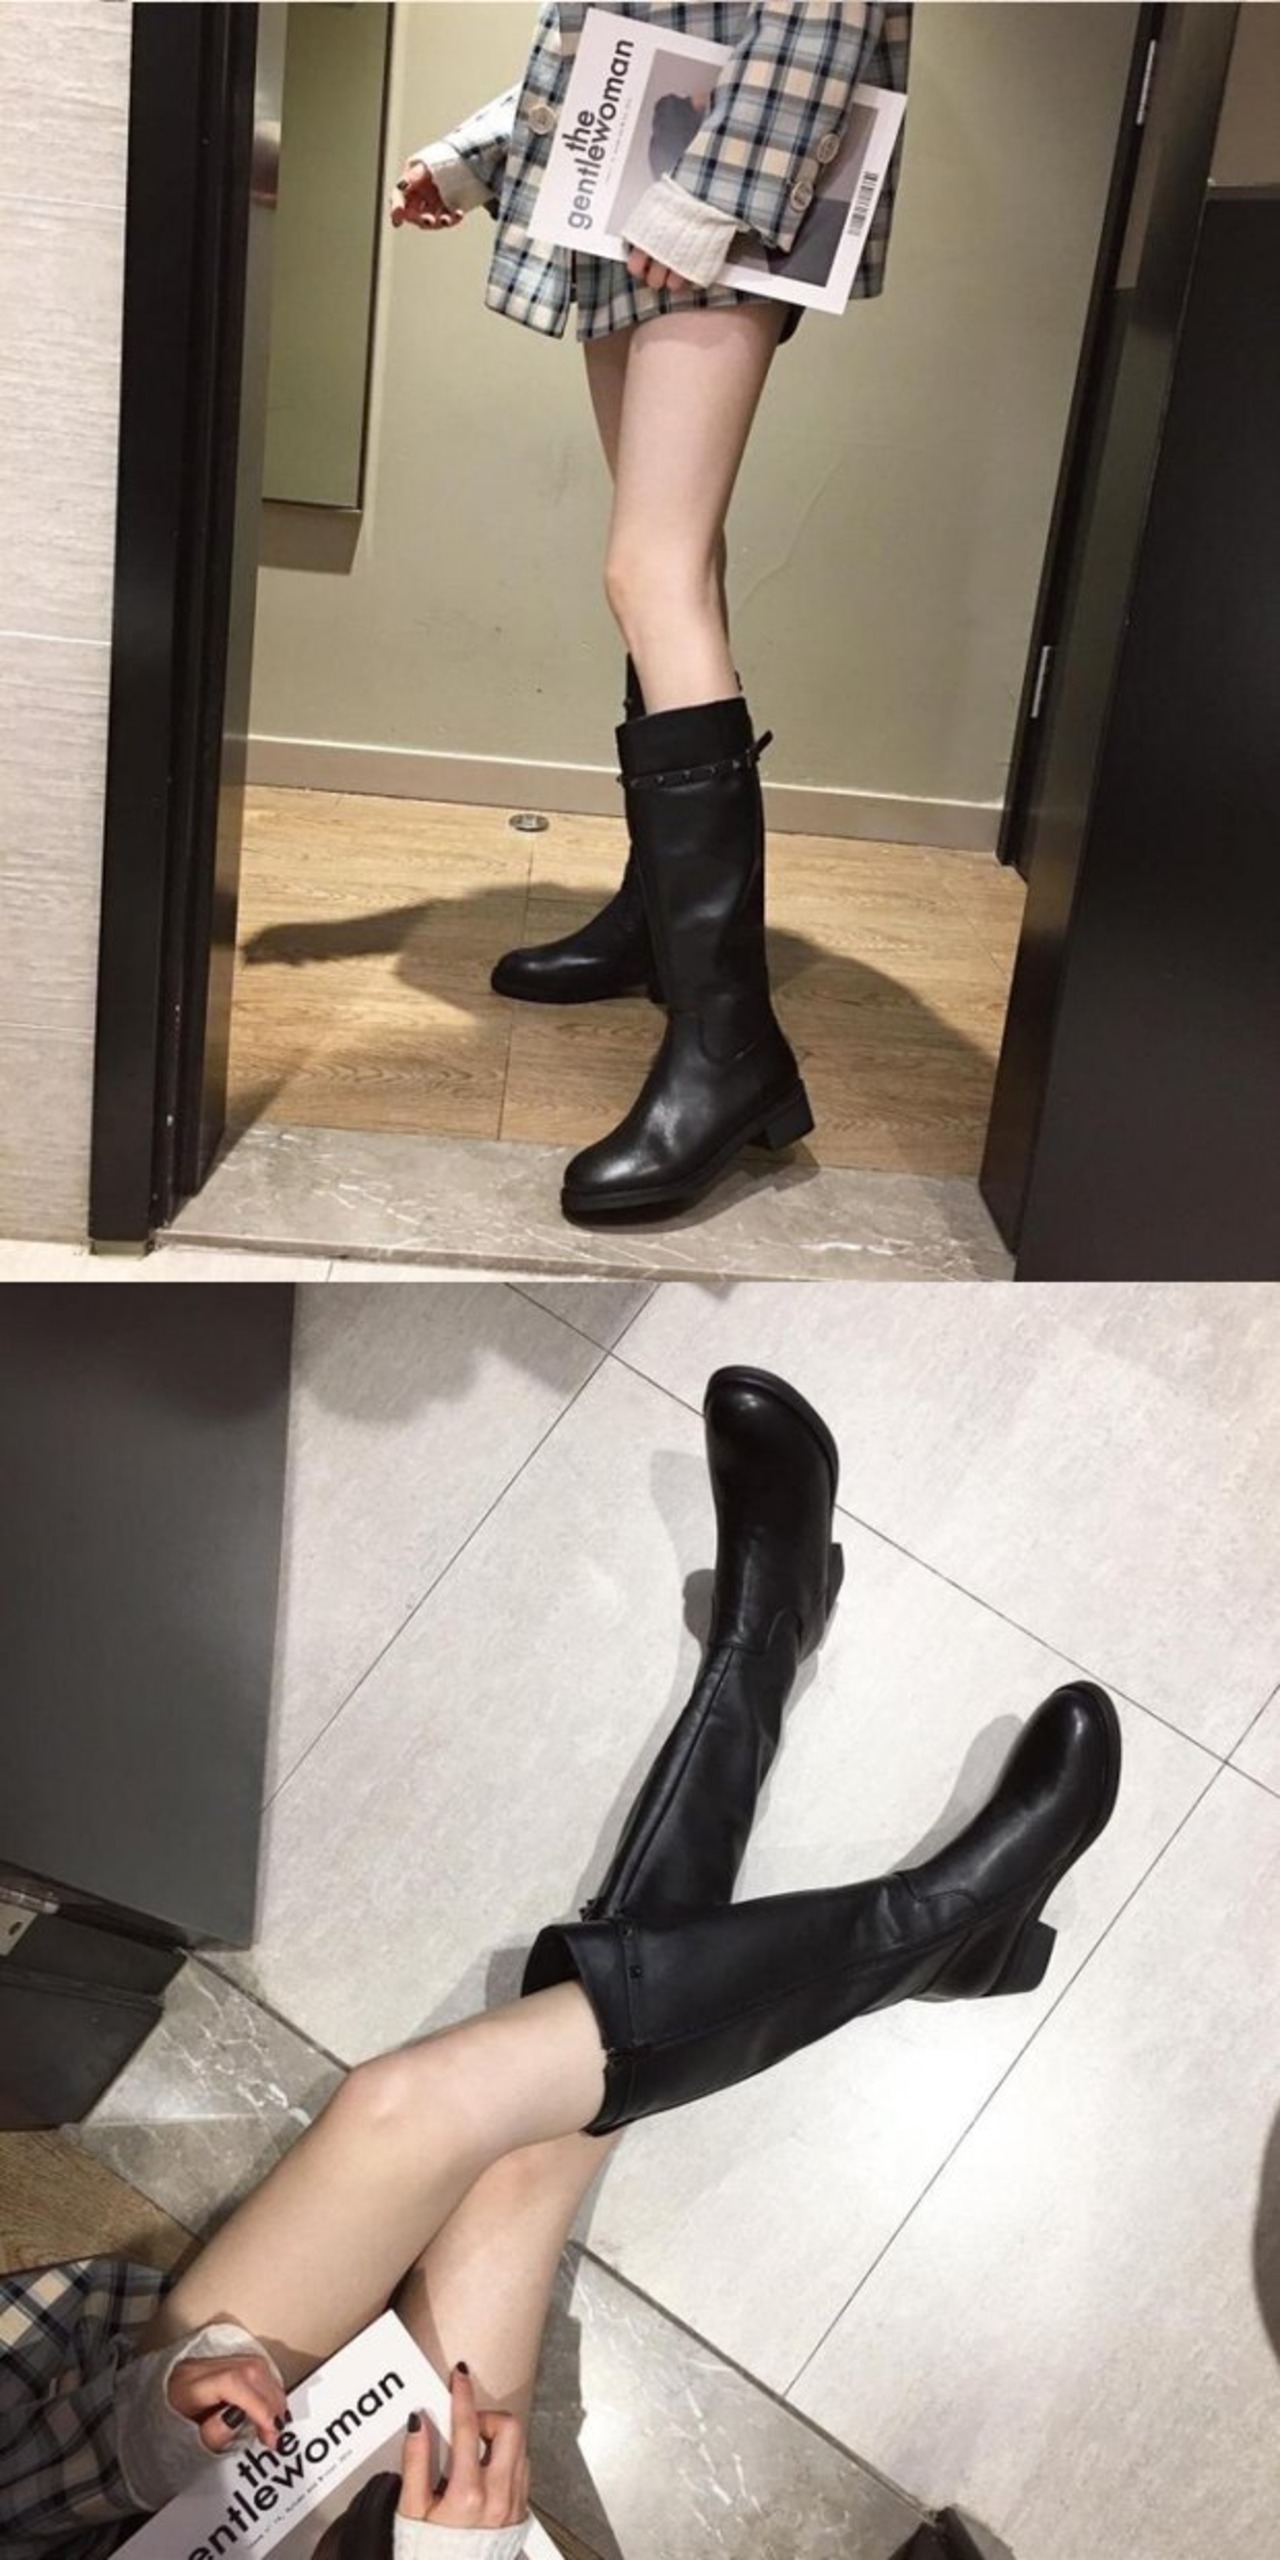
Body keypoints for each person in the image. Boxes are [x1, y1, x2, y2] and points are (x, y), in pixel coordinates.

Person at [0, 1369, 1121, 2558]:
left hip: (127, 2501)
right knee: (531, 2162)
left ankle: (777, 1671)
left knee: (404, 2106)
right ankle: (893, 1869)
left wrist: (156, 2433)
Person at [389, 6, 913, 1227]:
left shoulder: (709, 193)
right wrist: (474, 155)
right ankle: (658, 927)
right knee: (676, 562)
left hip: (705, 190)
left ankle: (730, 1044)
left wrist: (708, 199)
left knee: (653, 570)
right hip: (637, 185)